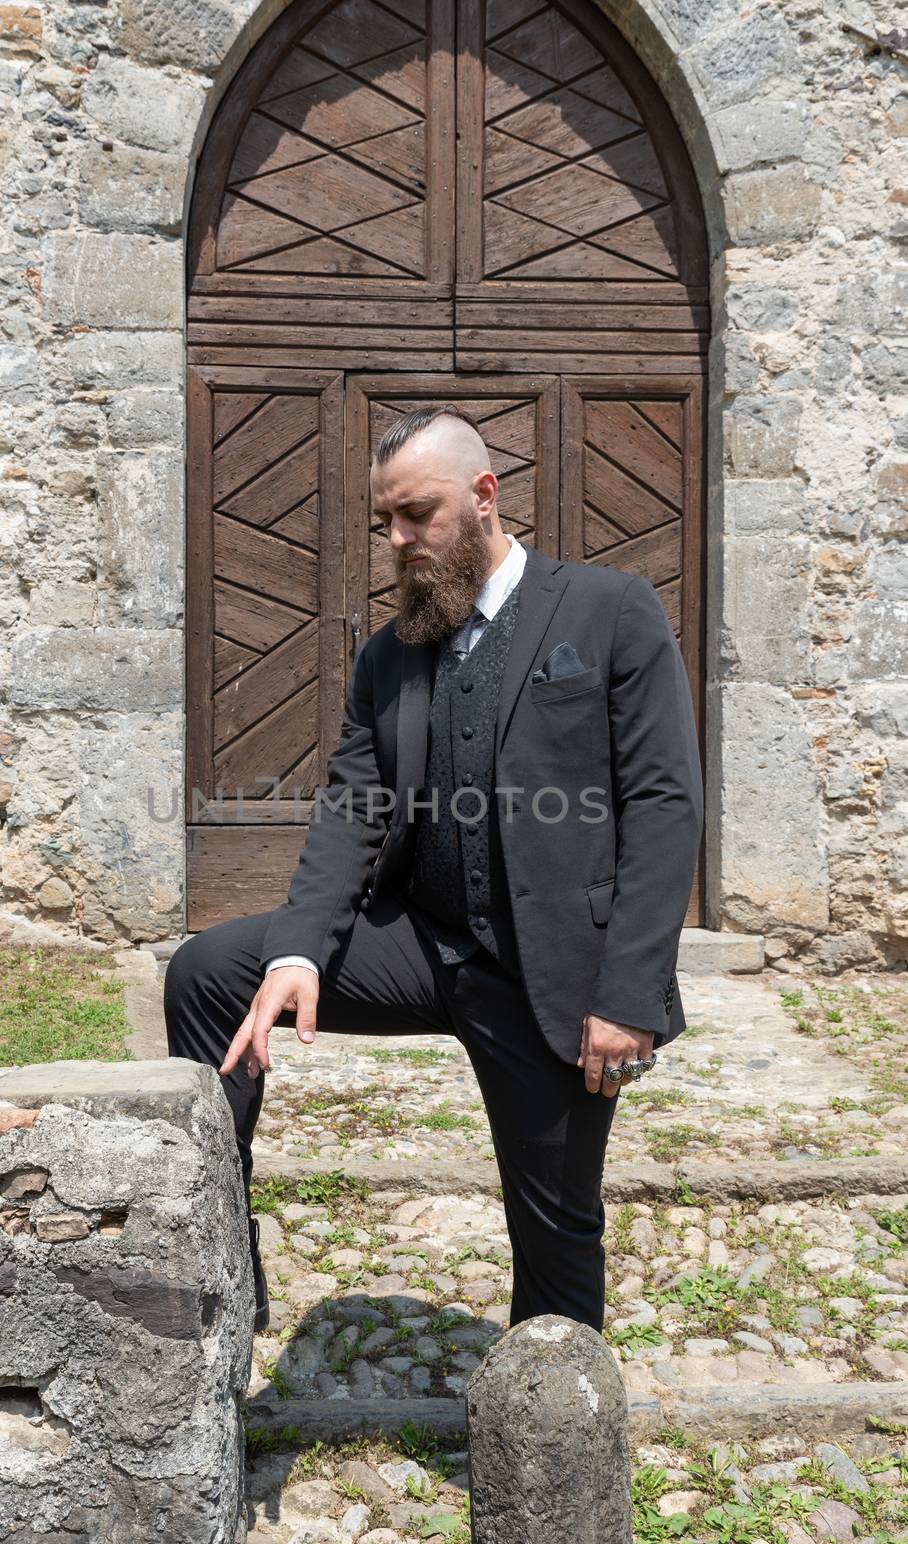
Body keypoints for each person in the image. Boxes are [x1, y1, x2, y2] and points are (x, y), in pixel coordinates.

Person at [164, 404, 703, 1335]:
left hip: (555, 975)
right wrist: (297, 953)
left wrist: (629, 996)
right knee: (211, 973)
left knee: (555, 1226)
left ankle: (556, 1432)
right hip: (421, 945)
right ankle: (218, 1257)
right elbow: (352, 810)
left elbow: (665, 806)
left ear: (485, 495)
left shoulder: (610, 610)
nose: (399, 540)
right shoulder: (391, 654)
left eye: (418, 514)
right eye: (386, 522)